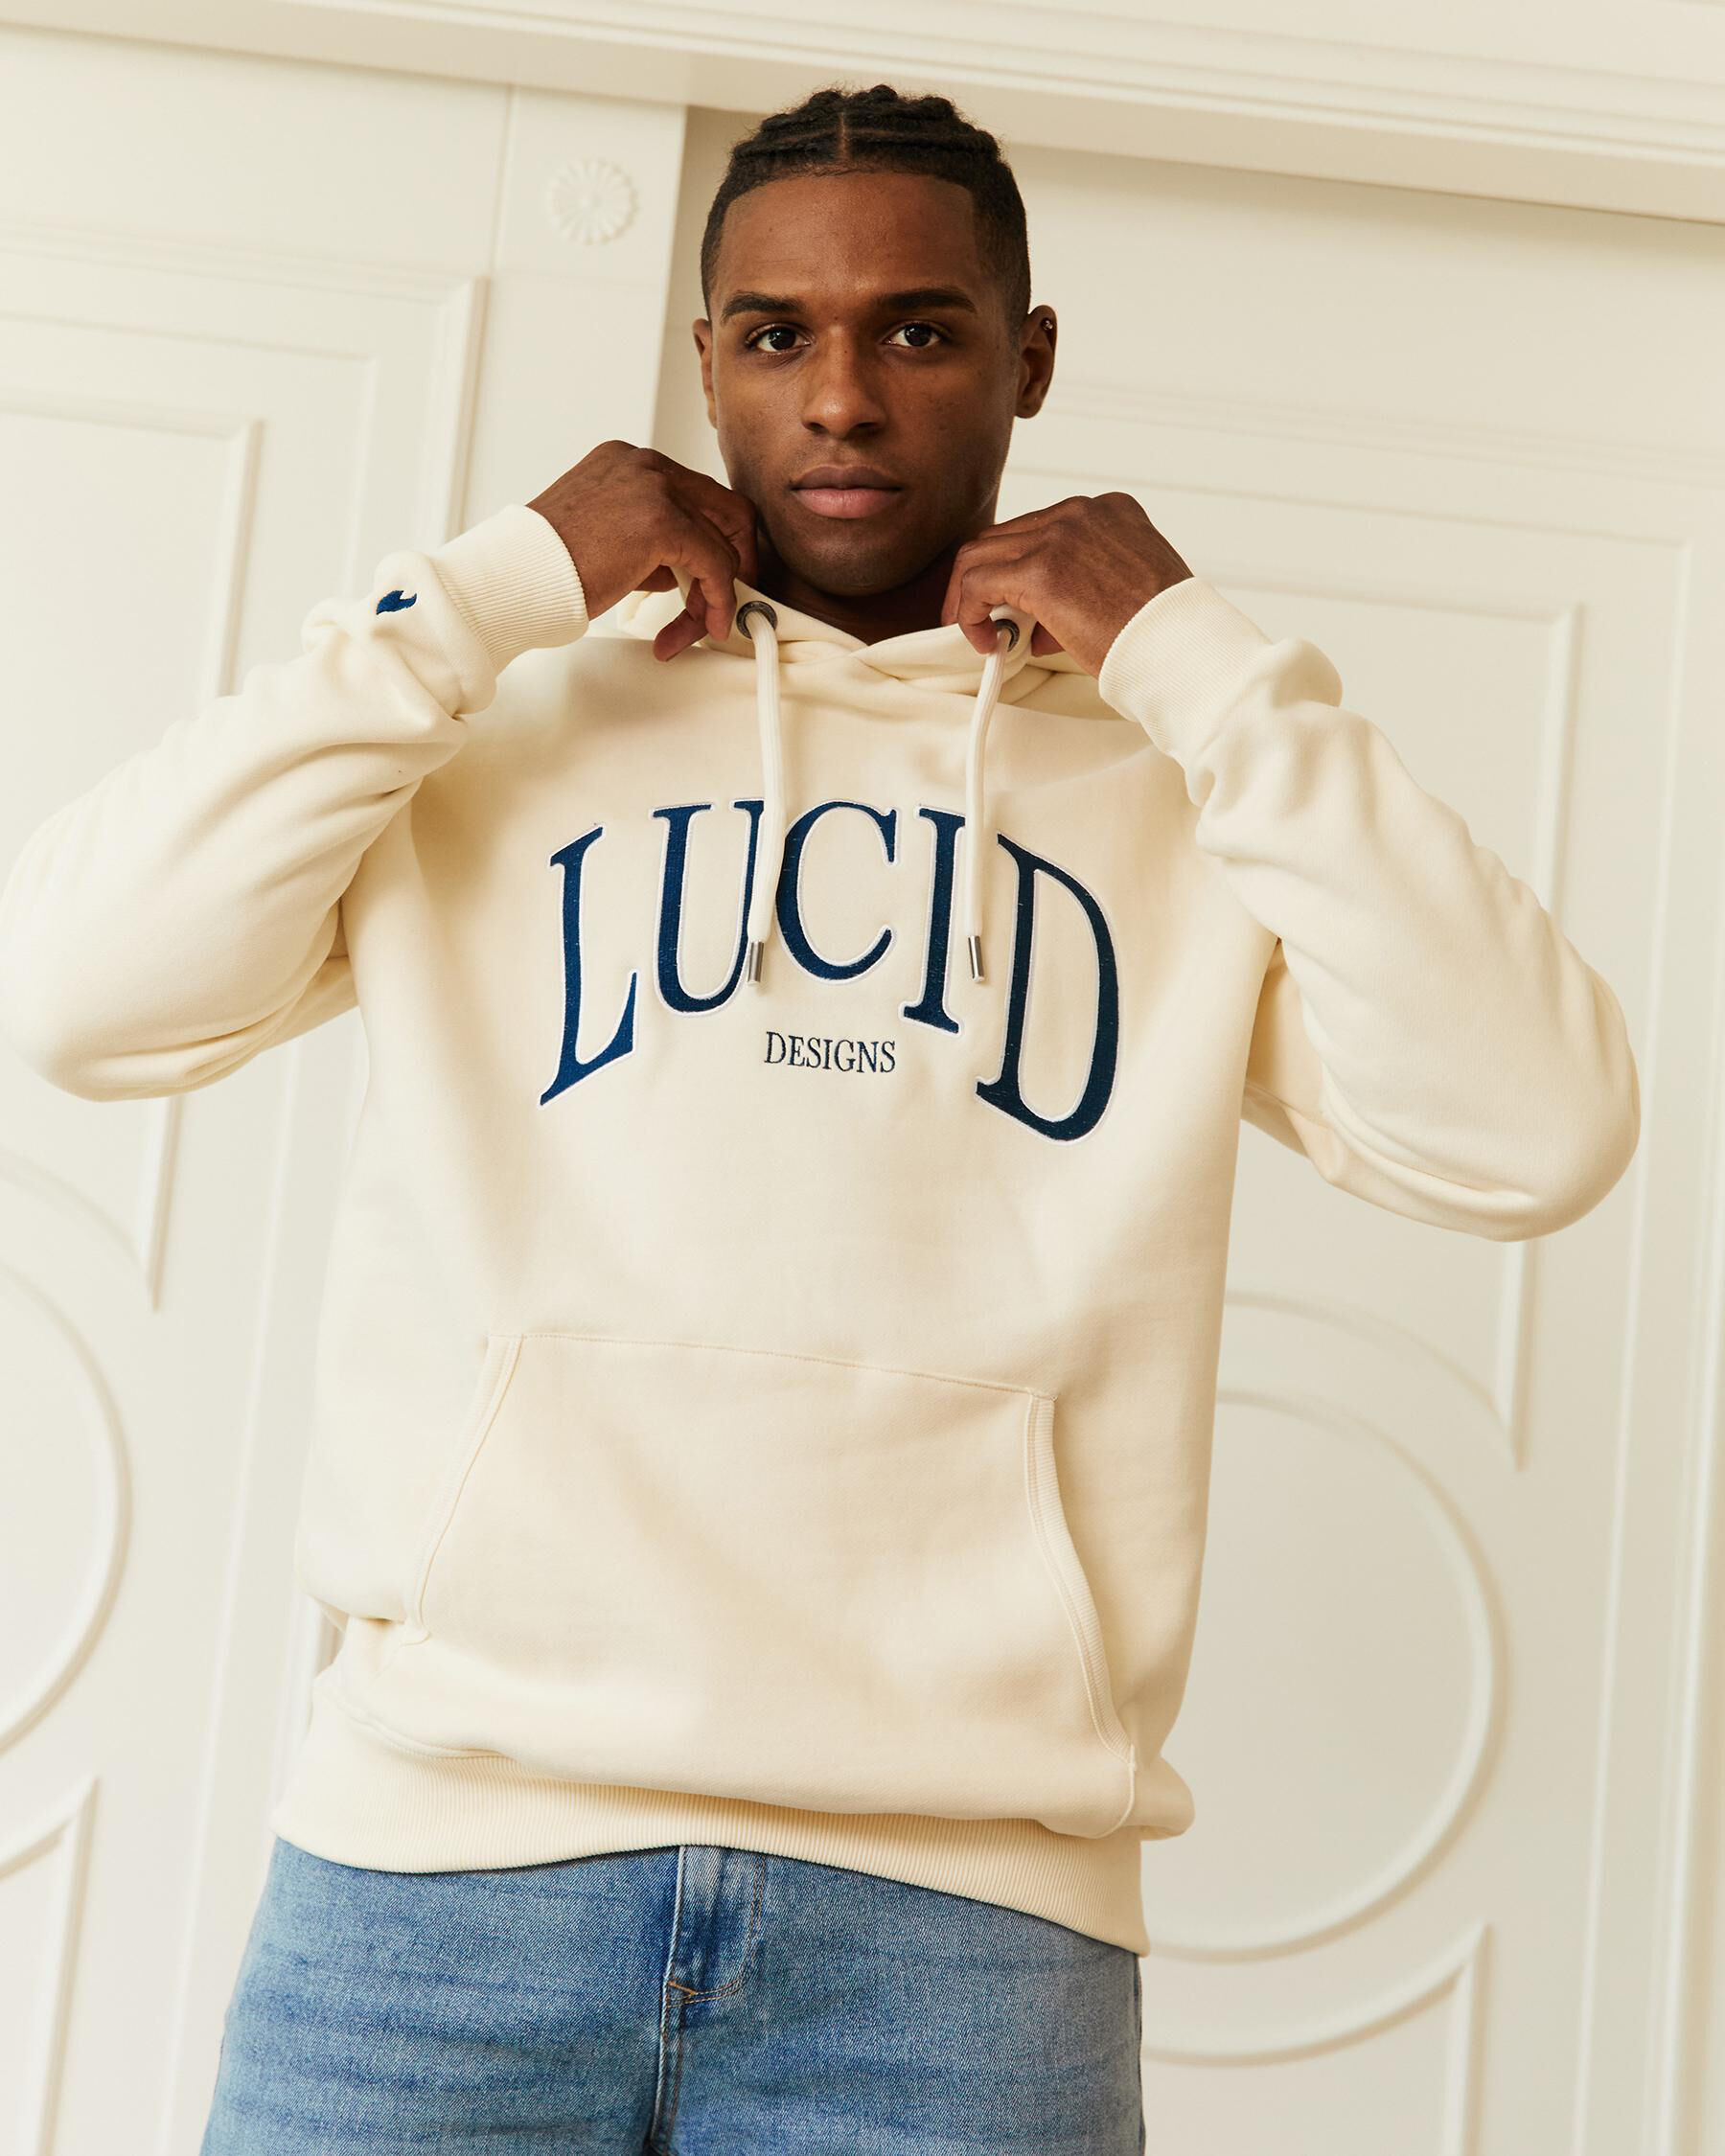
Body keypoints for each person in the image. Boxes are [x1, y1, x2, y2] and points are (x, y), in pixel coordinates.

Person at [0, 79, 1638, 2156]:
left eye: (918, 331)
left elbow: (1539, 1128)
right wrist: (490, 590)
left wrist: (1206, 668)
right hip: (440, 1883)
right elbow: (76, 992)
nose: (842, 396)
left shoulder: (1185, 792)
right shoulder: (497, 722)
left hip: (967, 1938)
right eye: (779, 335)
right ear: (706, 363)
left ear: (1029, 360)